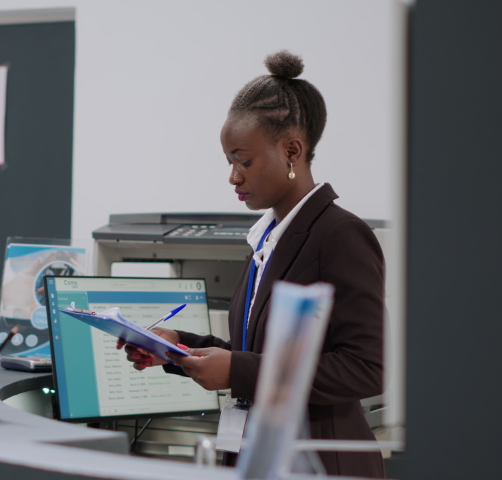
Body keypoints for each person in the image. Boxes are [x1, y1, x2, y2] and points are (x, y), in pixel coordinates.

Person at [118, 50, 385, 478]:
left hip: (320, 462)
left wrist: (237, 371)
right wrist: (177, 348)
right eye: (229, 162)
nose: (233, 177)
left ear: (292, 151)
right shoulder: (268, 238)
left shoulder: (339, 235)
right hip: (266, 456)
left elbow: (368, 368)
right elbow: (258, 356)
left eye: (244, 161)